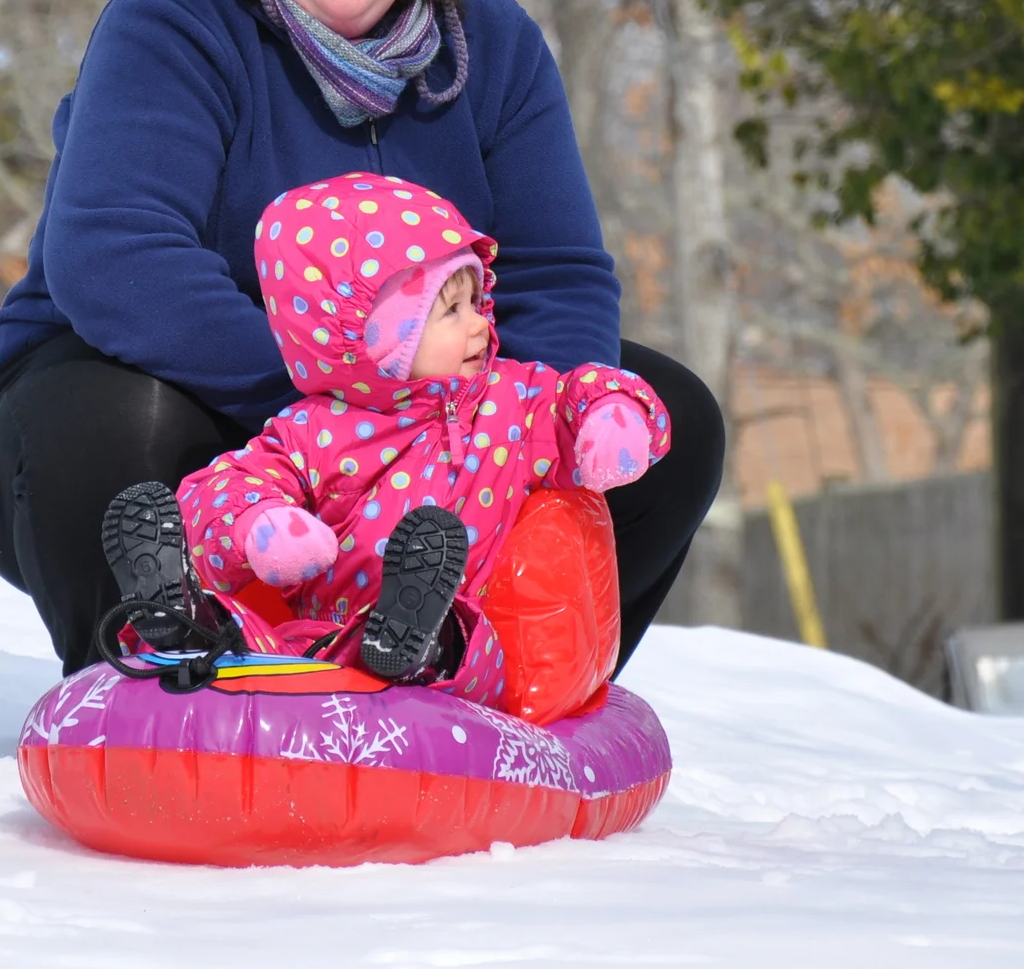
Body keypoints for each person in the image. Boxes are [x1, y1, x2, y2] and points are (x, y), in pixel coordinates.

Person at [0, 0, 726, 674]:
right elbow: (116, 257)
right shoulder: (174, 20)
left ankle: (487, 666)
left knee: (658, 408)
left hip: (436, 438)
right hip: (167, 408)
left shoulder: (490, 44)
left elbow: (558, 274)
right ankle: (163, 665)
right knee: (120, 419)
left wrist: (496, 429)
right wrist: (336, 408)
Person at [101, 172, 667, 707]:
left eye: (476, 302)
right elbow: (227, 485)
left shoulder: (512, 402)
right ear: (367, 336)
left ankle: (415, 644)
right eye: (450, 311)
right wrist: (260, 526)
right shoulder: (315, 430)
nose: (479, 324)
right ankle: (182, 621)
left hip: (468, 636)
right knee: (264, 646)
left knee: (458, 639)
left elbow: (573, 396)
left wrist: (610, 414)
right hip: (323, 639)